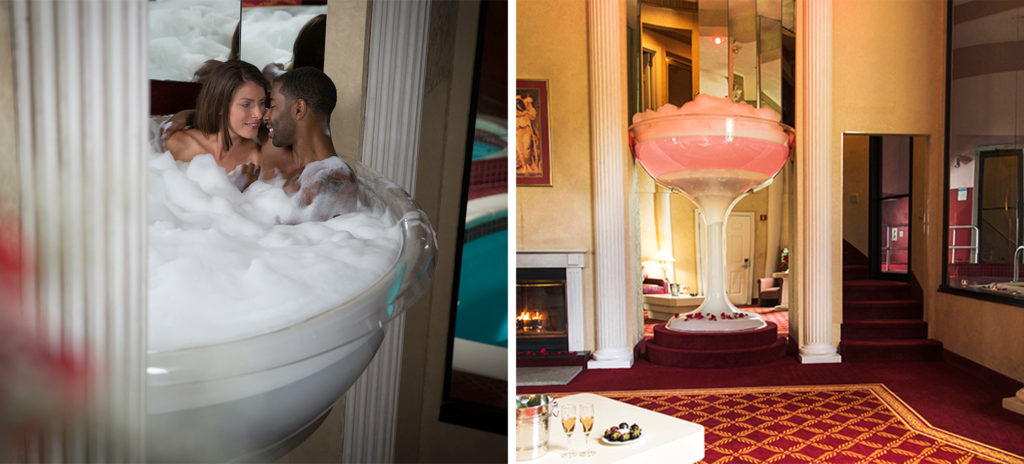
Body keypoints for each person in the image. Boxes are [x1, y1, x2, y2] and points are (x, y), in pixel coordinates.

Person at [261, 67, 358, 218]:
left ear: (299, 109)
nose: (266, 116)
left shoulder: (335, 179)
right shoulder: (290, 172)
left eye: (273, 106)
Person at [164, 60, 267, 190]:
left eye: (262, 103)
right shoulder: (178, 145)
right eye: (246, 104)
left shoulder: (256, 160)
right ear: (220, 106)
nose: (258, 114)